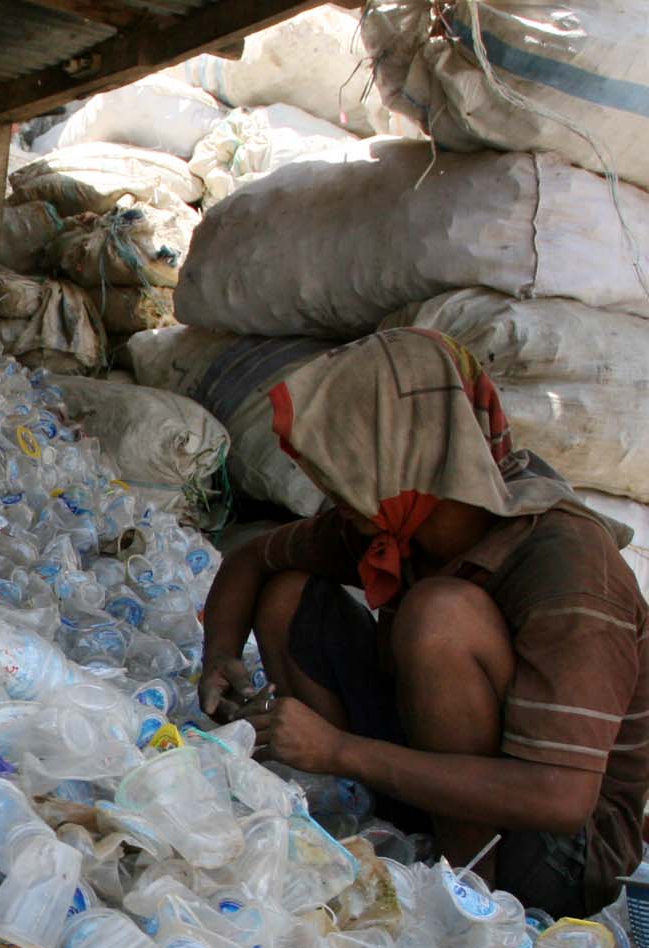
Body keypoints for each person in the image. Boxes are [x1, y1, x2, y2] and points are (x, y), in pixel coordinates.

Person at [199, 328, 648, 918]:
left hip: (558, 851)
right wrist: (220, 658)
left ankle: (465, 909)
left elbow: (560, 797)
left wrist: (338, 750)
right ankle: (366, 826)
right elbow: (250, 559)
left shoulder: (569, 566)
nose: (331, 486)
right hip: (440, 780)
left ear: (407, 453)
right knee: (287, 594)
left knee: (441, 615)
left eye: (347, 462)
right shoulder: (399, 522)